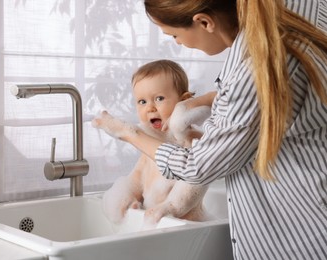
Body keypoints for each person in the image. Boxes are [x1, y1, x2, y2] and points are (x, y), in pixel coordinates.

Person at [93, 0, 327, 259]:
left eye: (174, 35)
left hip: (300, 231)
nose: (177, 44)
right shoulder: (298, 7)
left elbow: (197, 168)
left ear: (204, 22)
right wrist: (203, 102)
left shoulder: (253, 67)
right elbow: (271, 98)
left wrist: (126, 132)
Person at [101, 59, 212, 226]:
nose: (150, 108)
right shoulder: (151, 142)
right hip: (156, 221)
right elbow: (137, 178)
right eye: (142, 102)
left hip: (185, 224)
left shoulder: (192, 140)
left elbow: (195, 180)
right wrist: (128, 198)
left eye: (159, 98)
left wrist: (172, 207)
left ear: (185, 101)